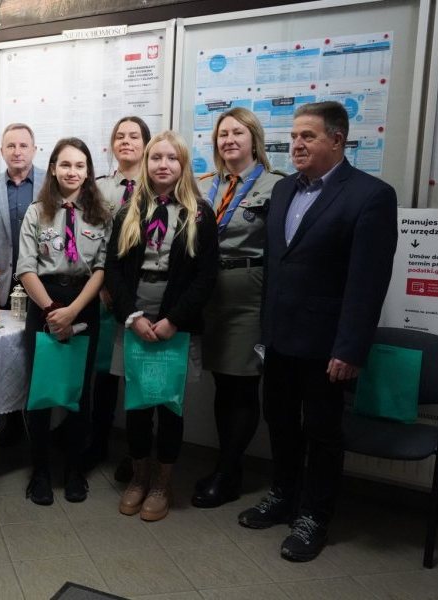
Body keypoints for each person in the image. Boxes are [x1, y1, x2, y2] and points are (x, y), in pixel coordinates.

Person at [238, 101, 397, 562]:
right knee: (281, 422)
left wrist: (350, 349)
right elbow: (276, 267)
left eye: (308, 136)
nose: (297, 144)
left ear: (337, 140)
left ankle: (314, 516)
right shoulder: (284, 189)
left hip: (328, 346)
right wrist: (266, 332)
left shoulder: (370, 195)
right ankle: (283, 495)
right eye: (294, 136)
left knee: (323, 433)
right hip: (280, 339)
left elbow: (368, 282)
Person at [105, 131, 218, 522]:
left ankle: (162, 483)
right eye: (156, 158)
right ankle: (139, 477)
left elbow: (206, 276)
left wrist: (174, 320)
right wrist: (132, 316)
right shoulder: (128, 211)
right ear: (146, 163)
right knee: (137, 404)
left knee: (169, 405)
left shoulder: (200, 213)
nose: (163, 164)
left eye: (172, 158)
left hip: (176, 321)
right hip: (135, 318)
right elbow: (114, 269)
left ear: (183, 164)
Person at [192, 108, 284, 508]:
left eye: (238, 133)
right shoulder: (203, 185)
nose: (229, 140)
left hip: (249, 292)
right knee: (223, 383)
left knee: (243, 382)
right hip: (210, 292)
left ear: (254, 139)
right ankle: (226, 467)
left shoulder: (276, 186)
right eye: (222, 134)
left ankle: (228, 472)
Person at [16, 137, 111, 505]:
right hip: (45, 301)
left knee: (80, 394)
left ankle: (74, 471)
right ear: (53, 168)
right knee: (40, 393)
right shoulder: (36, 212)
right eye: (66, 164)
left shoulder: (101, 213)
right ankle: (39, 472)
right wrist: (52, 309)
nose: (72, 171)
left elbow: (102, 268)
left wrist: (73, 312)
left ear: (88, 172)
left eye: (80, 166)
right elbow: (26, 267)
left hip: (84, 303)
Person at [82, 116, 151, 473]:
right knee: (104, 373)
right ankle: (98, 441)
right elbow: (90, 239)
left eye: (134, 136)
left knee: (138, 373)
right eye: (120, 136)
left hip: (142, 293)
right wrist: (105, 286)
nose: (126, 141)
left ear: (146, 144)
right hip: (104, 293)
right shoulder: (98, 189)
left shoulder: (156, 187)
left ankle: (137, 451)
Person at [0, 123, 46, 447]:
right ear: (1, 151)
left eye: (23, 145)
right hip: (3, 287)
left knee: (39, 356)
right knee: (8, 359)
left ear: (34, 149)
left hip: (42, 286)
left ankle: (39, 426)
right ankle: (14, 424)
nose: (17, 152)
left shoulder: (51, 184)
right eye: (11, 146)